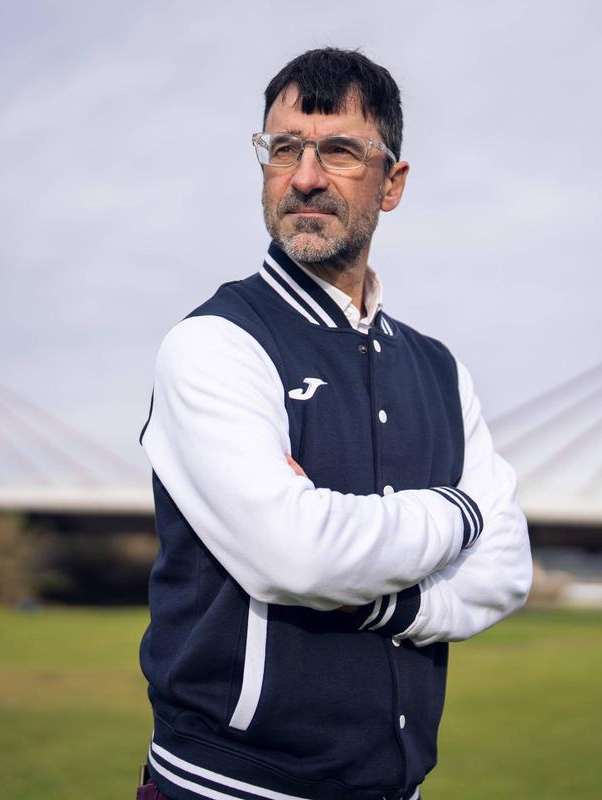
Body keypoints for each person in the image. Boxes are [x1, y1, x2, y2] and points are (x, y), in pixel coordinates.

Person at [137, 47, 532, 800]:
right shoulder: (214, 345)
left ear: (393, 184)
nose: (306, 177)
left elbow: (507, 569)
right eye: (284, 148)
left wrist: (398, 601)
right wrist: (462, 513)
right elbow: (297, 555)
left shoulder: (440, 371)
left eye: (341, 151)